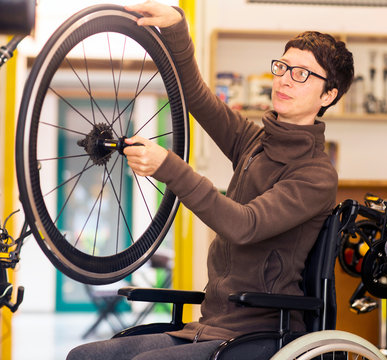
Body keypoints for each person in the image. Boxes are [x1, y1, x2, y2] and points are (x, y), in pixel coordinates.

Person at [67, 1, 354, 359]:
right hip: (212, 325)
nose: (283, 79)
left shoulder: (316, 174)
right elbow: (198, 99)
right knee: (85, 356)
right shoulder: (255, 141)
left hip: (265, 333)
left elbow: (243, 225)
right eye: (282, 67)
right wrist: (176, 29)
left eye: (302, 74)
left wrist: (168, 166)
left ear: (329, 95)